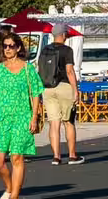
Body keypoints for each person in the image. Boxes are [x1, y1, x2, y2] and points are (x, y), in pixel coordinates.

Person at [0, 33, 44, 199]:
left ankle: (15, 196)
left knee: (16, 157)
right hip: (1, 118)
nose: (7, 49)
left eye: (11, 46)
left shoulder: (27, 69)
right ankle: (8, 187)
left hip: (22, 117)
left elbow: (36, 93)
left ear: (18, 48)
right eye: (5, 46)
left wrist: (34, 117)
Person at [36, 28, 83, 165]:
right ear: (63, 35)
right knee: (68, 122)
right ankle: (72, 155)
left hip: (47, 88)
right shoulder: (67, 50)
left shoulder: (44, 50)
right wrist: (75, 90)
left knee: (53, 123)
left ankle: (56, 156)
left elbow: (40, 69)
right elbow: (69, 71)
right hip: (64, 86)